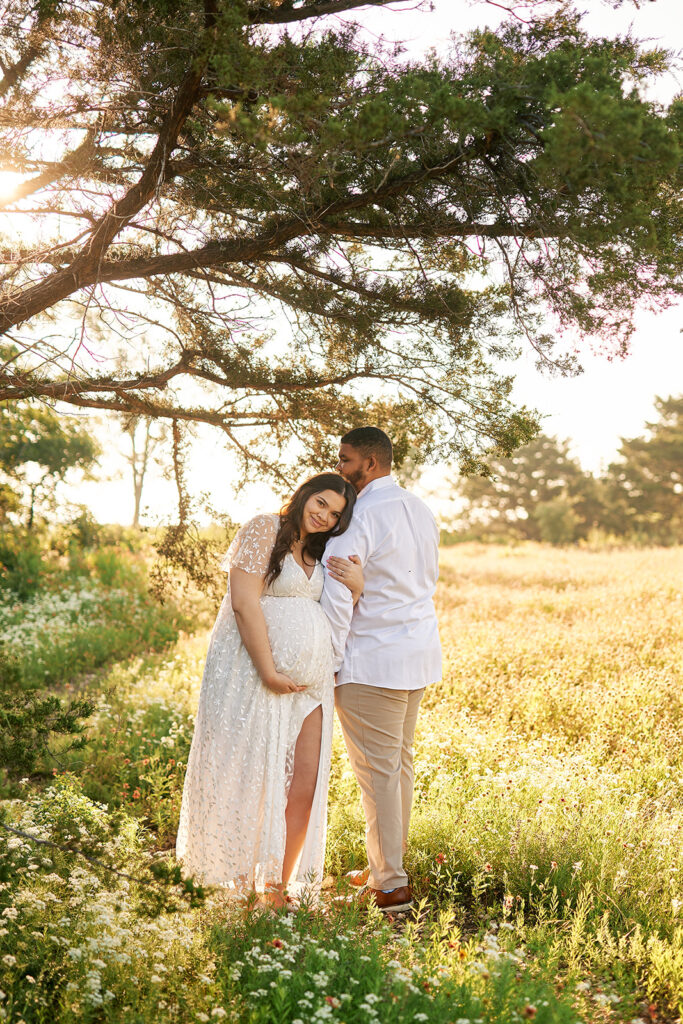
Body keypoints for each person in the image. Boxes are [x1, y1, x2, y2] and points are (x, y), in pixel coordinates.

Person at [176, 473, 363, 908]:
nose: (324, 516)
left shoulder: (320, 548)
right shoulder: (265, 527)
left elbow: (325, 611)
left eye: (335, 514)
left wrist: (357, 589)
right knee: (252, 776)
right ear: (303, 495)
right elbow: (243, 601)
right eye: (320, 503)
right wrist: (268, 670)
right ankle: (238, 882)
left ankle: (279, 884)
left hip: (311, 683)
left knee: (305, 780)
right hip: (256, 675)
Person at [320, 427, 442, 914]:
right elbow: (419, 583)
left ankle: (391, 884)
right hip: (416, 656)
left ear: (369, 463)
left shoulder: (360, 515)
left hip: (372, 662)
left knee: (379, 775)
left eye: (345, 458)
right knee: (397, 769)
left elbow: (335, 591)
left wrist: (326, 659)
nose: (340, 466)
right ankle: (382, 864)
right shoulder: (421, 509)